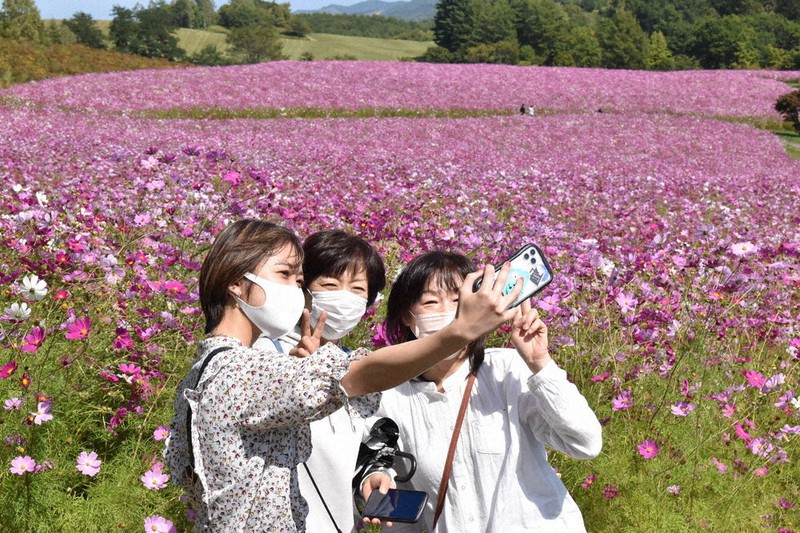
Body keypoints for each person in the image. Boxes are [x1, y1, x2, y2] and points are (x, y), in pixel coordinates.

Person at [164, 220, 523, 532]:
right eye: (285, 275)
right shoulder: (240, 370)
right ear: (235, 283)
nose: (295, 290)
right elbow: (359, 375)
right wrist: (460, 331)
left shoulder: (208, 368)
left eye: (298, 278)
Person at [360, 251, 603, 532]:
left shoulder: (507, 370)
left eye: (459, 301)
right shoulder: (391, 395)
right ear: (406, 316)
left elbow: (585, 443)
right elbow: (387, 472)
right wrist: (375, 476)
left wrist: (540, 364)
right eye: (430, 302)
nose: (448, 312)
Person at [253, 229, 389, 532]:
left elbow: (355, 451)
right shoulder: (265, 353)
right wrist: (293, 376)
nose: (344, 297)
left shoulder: (355, 364)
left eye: (357, 289)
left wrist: (370, 476)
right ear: (303, 289)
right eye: (330, 284)